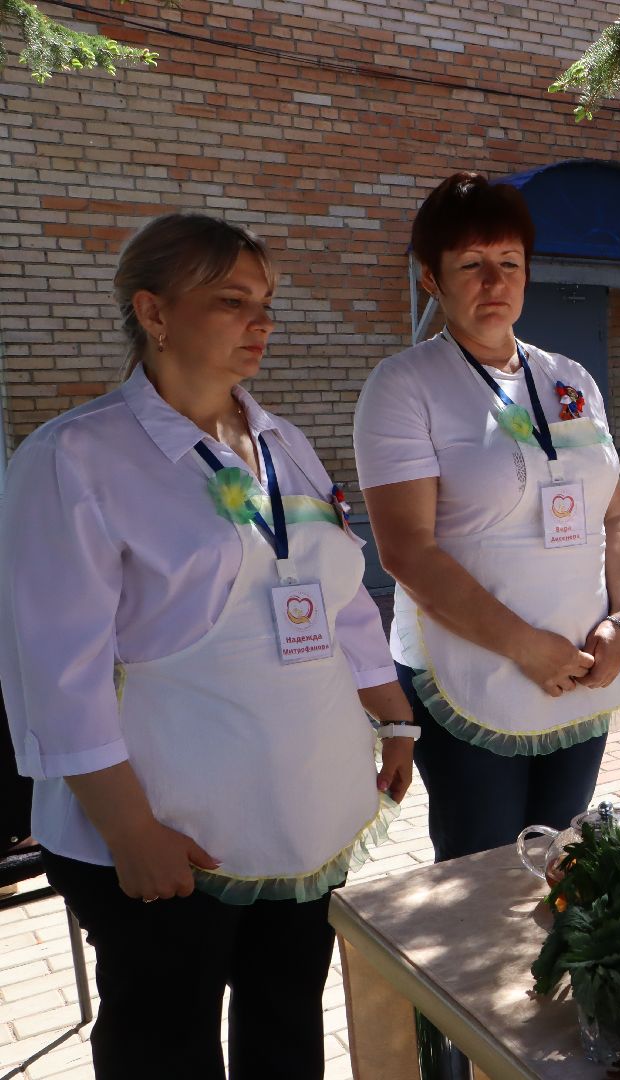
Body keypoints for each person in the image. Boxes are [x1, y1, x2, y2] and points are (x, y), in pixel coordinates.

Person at [0, 213, 415, 1078]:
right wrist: (129, 828)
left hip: (297, 811)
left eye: (265, 302)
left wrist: (392, 714)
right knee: (166, 1040)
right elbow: (54, 667)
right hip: (169, 828)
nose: (260, 322)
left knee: (286, 1020)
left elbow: (331, 594)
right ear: (153, 312)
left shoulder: (281, 444)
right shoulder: (74, 459)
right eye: (232, 301)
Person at [355, 172, 620, 863]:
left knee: (567, 861)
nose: (494, 281)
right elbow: (406, 552)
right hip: (473, 677)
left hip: (581, 672)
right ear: (432, 278)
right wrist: (521, 644)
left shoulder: (570, 378)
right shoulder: (405, 387)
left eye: (509, 263)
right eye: (471, 265)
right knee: (482, 875)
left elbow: (619, 518)